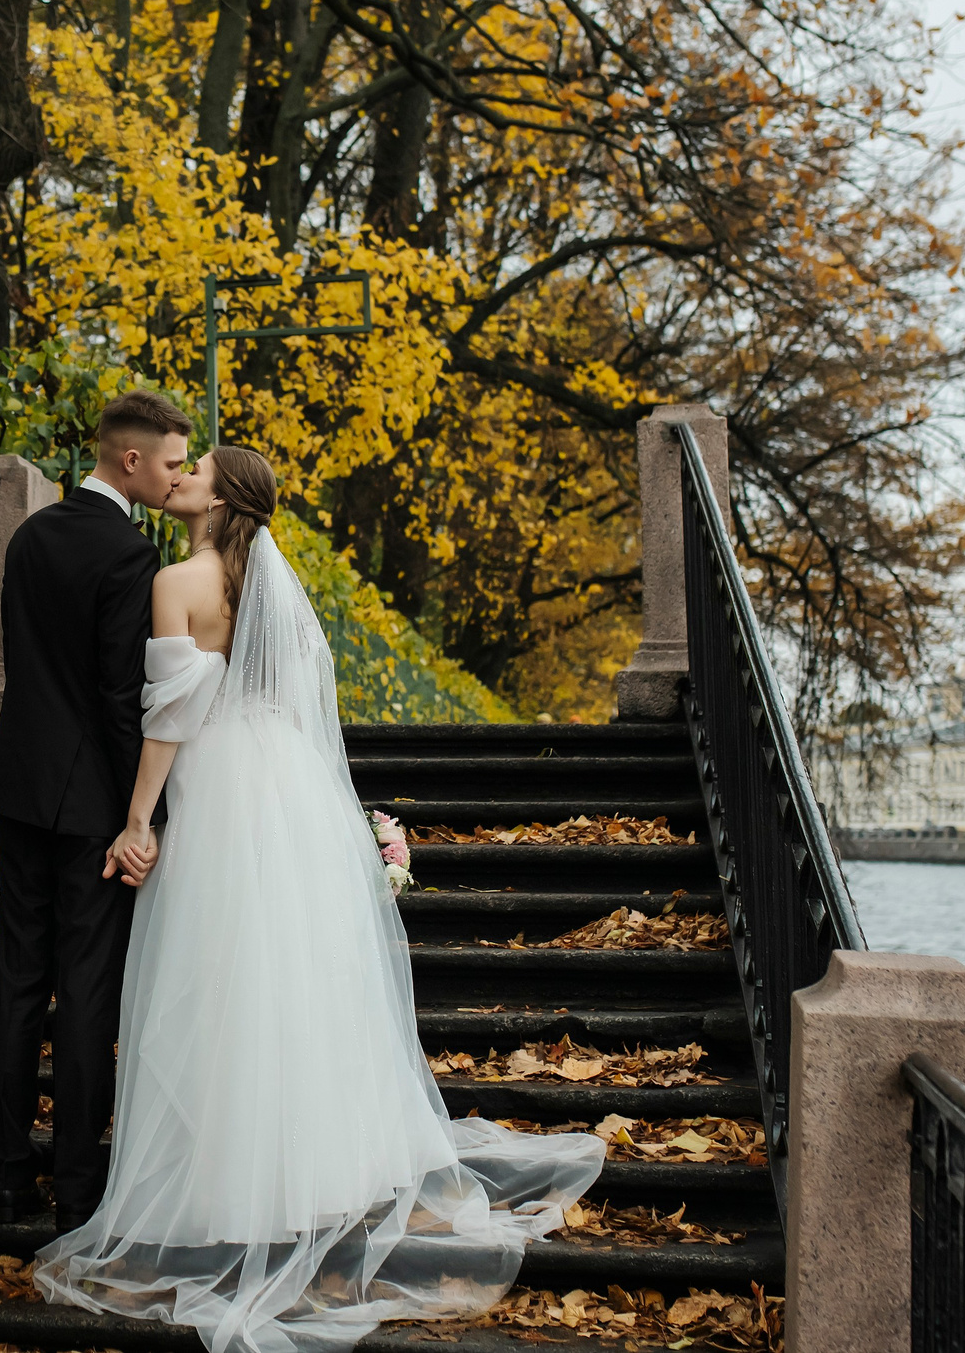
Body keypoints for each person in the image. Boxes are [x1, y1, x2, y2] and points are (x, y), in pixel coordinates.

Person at [32, 445, 603, 1353]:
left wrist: (140, 821)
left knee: (215, 983)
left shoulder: (179, 580)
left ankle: (224, 1188)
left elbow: (169, 718)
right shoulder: (273, 590)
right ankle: (310, 1181)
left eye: (197, 470)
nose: (180, 477)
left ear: (222, 496)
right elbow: (296, 714)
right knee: (288, 982)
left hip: (220, 791)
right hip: (286, 790)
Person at [0, 389, 192, 1230]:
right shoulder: (129, 556)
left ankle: (3, 1180)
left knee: (18, 982)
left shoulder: (30, 536)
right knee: (87, 992)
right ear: (130, 459)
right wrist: (145, 816)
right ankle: (74, 1186)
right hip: (92, 807)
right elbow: (118, 698)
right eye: (172, 461)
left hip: (21, 788)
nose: (177, 476)